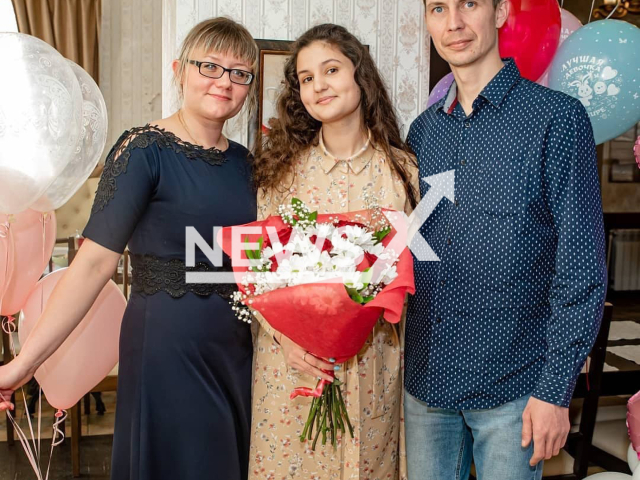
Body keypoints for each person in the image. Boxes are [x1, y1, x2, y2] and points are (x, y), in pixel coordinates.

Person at [0, 17, 257, 480]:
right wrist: (24, 363)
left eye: (240, 73)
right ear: (180, 71)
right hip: (167, 348)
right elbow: (94, 263)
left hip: (235, 352)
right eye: (210, 66)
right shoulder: (144, 150)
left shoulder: (246, 164)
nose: (225, 82)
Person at [403, 1, 607, 479]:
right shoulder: (422, 132)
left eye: (469, 4)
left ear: (498, 14)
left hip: (514, 389)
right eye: (438, 9)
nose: (453, 23)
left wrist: (555, 390)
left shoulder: (556, 119)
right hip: (426, 387)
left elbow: (581, 267)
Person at [249, 23, 419, 480]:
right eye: (306, 78)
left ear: (359, 76)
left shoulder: (400, 171)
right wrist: (287, 339)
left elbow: (406, 271)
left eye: (330, 70)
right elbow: (258, 271)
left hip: (372, 363)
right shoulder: (281, 172)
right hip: (292, 365)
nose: (318, 85)